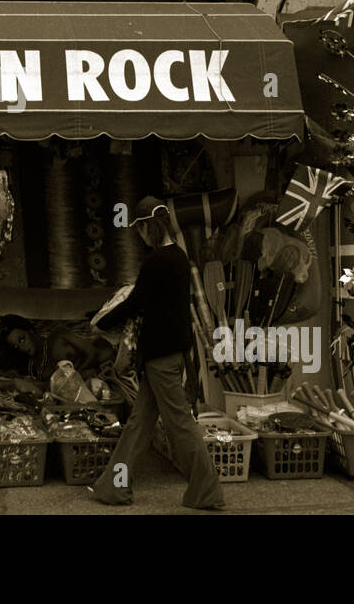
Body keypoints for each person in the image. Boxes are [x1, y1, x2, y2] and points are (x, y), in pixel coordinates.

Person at [87, 196, 225, 510]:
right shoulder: (178, 257)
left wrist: (100, 322)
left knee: (179, 425)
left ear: (149, 226)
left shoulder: (156, 261)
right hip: (167, 354)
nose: (138, 235)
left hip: (161, 356)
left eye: (139, 229)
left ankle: (208, 491)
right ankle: (114, 487)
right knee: (139, 424)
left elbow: (136, 302)